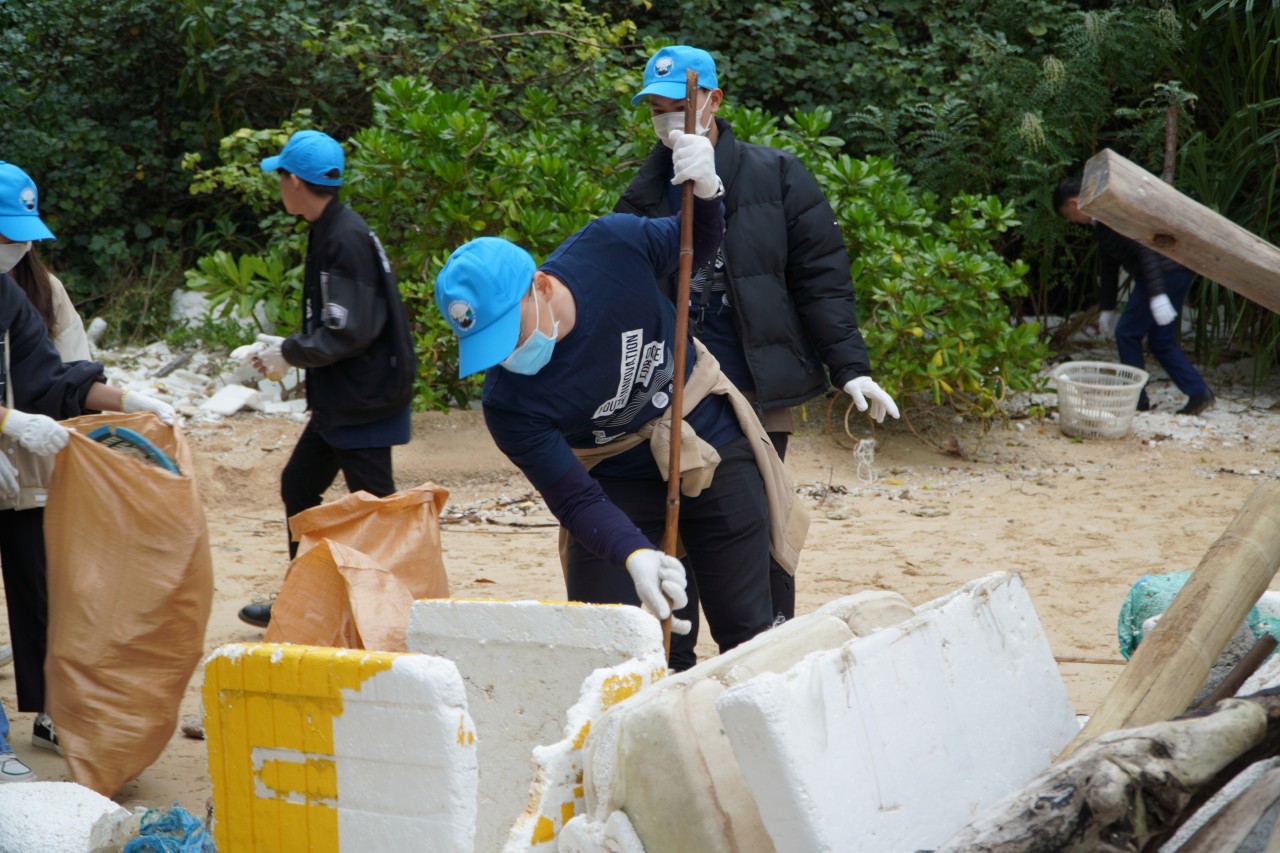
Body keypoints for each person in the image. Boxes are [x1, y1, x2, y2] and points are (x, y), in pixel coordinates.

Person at [435, 130, 805, 670]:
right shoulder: (508, 405)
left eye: (508, 332)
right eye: (487, 346)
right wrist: (635, 555)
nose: (506, 355)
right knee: (618, 638)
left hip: (701, 428)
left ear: (539, 286)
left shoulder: (608, 247)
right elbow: (576, 498)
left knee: (748, 630)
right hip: (612, 474)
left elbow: (692, 245)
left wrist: (707, 191)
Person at [615, 46, 899, 623]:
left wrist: (850, 367)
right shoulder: (643, 193)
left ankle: (768, 637)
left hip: (757, 385)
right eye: (655, 110)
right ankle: (678, 645)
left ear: (713, 100)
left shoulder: (778, 175)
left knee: (764, 518)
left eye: (679, 106)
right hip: (677, 391)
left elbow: (821, 278)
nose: (666, 120)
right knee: (685, 518)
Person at [0, 161, 176, 764]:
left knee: (44, 588)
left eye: (19, 234)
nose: (14, 247)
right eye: (4, 233)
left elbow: (52, 377)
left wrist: (128, 402)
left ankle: (55, 711)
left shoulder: (13, 295)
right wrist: (6, 423)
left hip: (19, 476)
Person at [235, 130, 417, 628]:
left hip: (364, 398)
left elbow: (347, 329)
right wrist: (282, 349)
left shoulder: (344, 238)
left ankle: (392, 614)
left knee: (377, 511)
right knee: (299, 485)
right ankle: (303, 603)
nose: (278, 185)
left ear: (294, 181)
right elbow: (341, 321)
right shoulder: (331, 228)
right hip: (347, 396)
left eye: (280, 176)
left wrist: (290, 354)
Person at [1054, 176, 1214, 415]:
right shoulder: (1101, 223)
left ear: (1074, 204)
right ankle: (1199, 393)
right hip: (1171, 274)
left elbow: (1145, 250)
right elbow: (1108, 267)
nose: (1072, 221)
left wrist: (1157, 295)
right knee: (1160, 341)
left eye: (1068, 215)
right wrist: (1107, 308)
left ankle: (1136, 399)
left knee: (1127, 333)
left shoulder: (1114, 215)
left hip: (1162, 275)